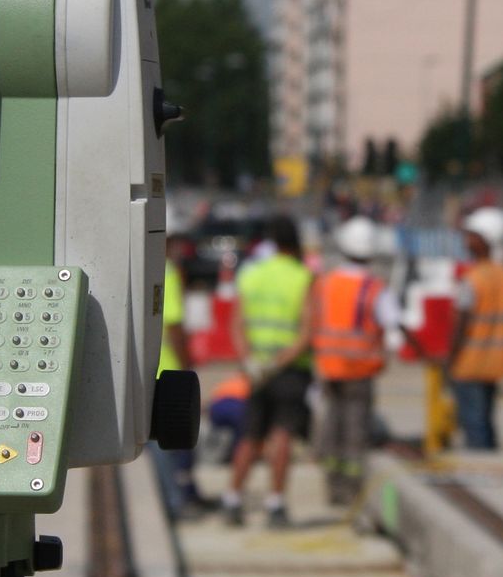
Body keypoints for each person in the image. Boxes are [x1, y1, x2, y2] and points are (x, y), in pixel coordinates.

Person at [222, 216, 314, 529]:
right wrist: (279, 362)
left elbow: (236, 324)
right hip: (289, 370)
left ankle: (233, 498)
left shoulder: (252, 274)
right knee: (282, 435)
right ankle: (275, 504)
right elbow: (307, 331)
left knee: (250, 434)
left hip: (257, 370)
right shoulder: (302, 277)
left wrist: (250, 362)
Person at [310, 215, 396, 506]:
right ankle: (351, 490)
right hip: (361, 369)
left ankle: (332, 487)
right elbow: (391, 320)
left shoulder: (326, 283)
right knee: (355, 430)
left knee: (332, 424)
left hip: (329, 367)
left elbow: (313, 321)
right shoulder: (374, 287)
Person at [445, 207, 503, 451]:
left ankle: (482, 464)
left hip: (470, 362)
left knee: (473, 423)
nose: (466, 241)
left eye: (472, 236)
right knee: (486, 421)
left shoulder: (473, 279)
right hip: (496, 361)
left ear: (486, 240)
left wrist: (450, 359)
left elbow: (461, 324)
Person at [155, 237, 207, 517]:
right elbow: (174, 325)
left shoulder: (146, 267)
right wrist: (187, 368)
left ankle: (177, 497)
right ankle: (176, 501)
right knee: (171, 443)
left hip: (152, 368)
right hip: (170, 370)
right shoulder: (168, 273)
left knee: (159, 444)